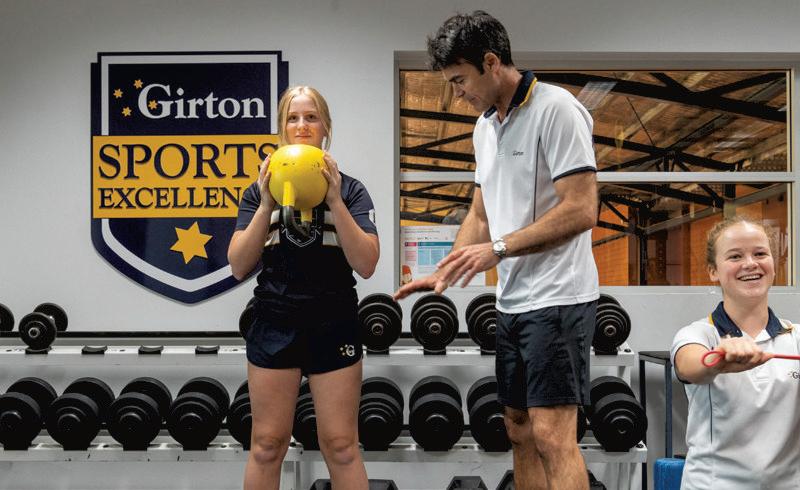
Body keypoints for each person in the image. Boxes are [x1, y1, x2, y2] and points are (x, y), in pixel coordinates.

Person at [394, 11, 600, 489]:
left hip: (559, 297)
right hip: (512, 302)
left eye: (460, 80)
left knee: (552, 435)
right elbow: (480, 215)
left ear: (491, 62)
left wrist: (499, 249)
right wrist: (446, 269)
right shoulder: (484, 128)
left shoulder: (557, 109)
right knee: (519, 428)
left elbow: (581, 208)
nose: (456, 94)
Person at [229, 85, 379, 490]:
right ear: (282, 128)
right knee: (266, 445)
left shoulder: (351, 190)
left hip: (333, 323)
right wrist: (266, 204)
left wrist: (336, 202)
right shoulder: (258, 191)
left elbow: (367, 263)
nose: (302, 126)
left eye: (311, 117)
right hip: (274, 323)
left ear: (325, 127)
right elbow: (238, 265)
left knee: (342, 445)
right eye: (292, 118)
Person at [671, 215, 800, 489]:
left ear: (773, 265)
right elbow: (689, 364)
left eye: (760, 253)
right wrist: (718, 362)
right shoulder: (698, 334)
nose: (750, 263)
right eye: (735, 256)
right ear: (713, 271)